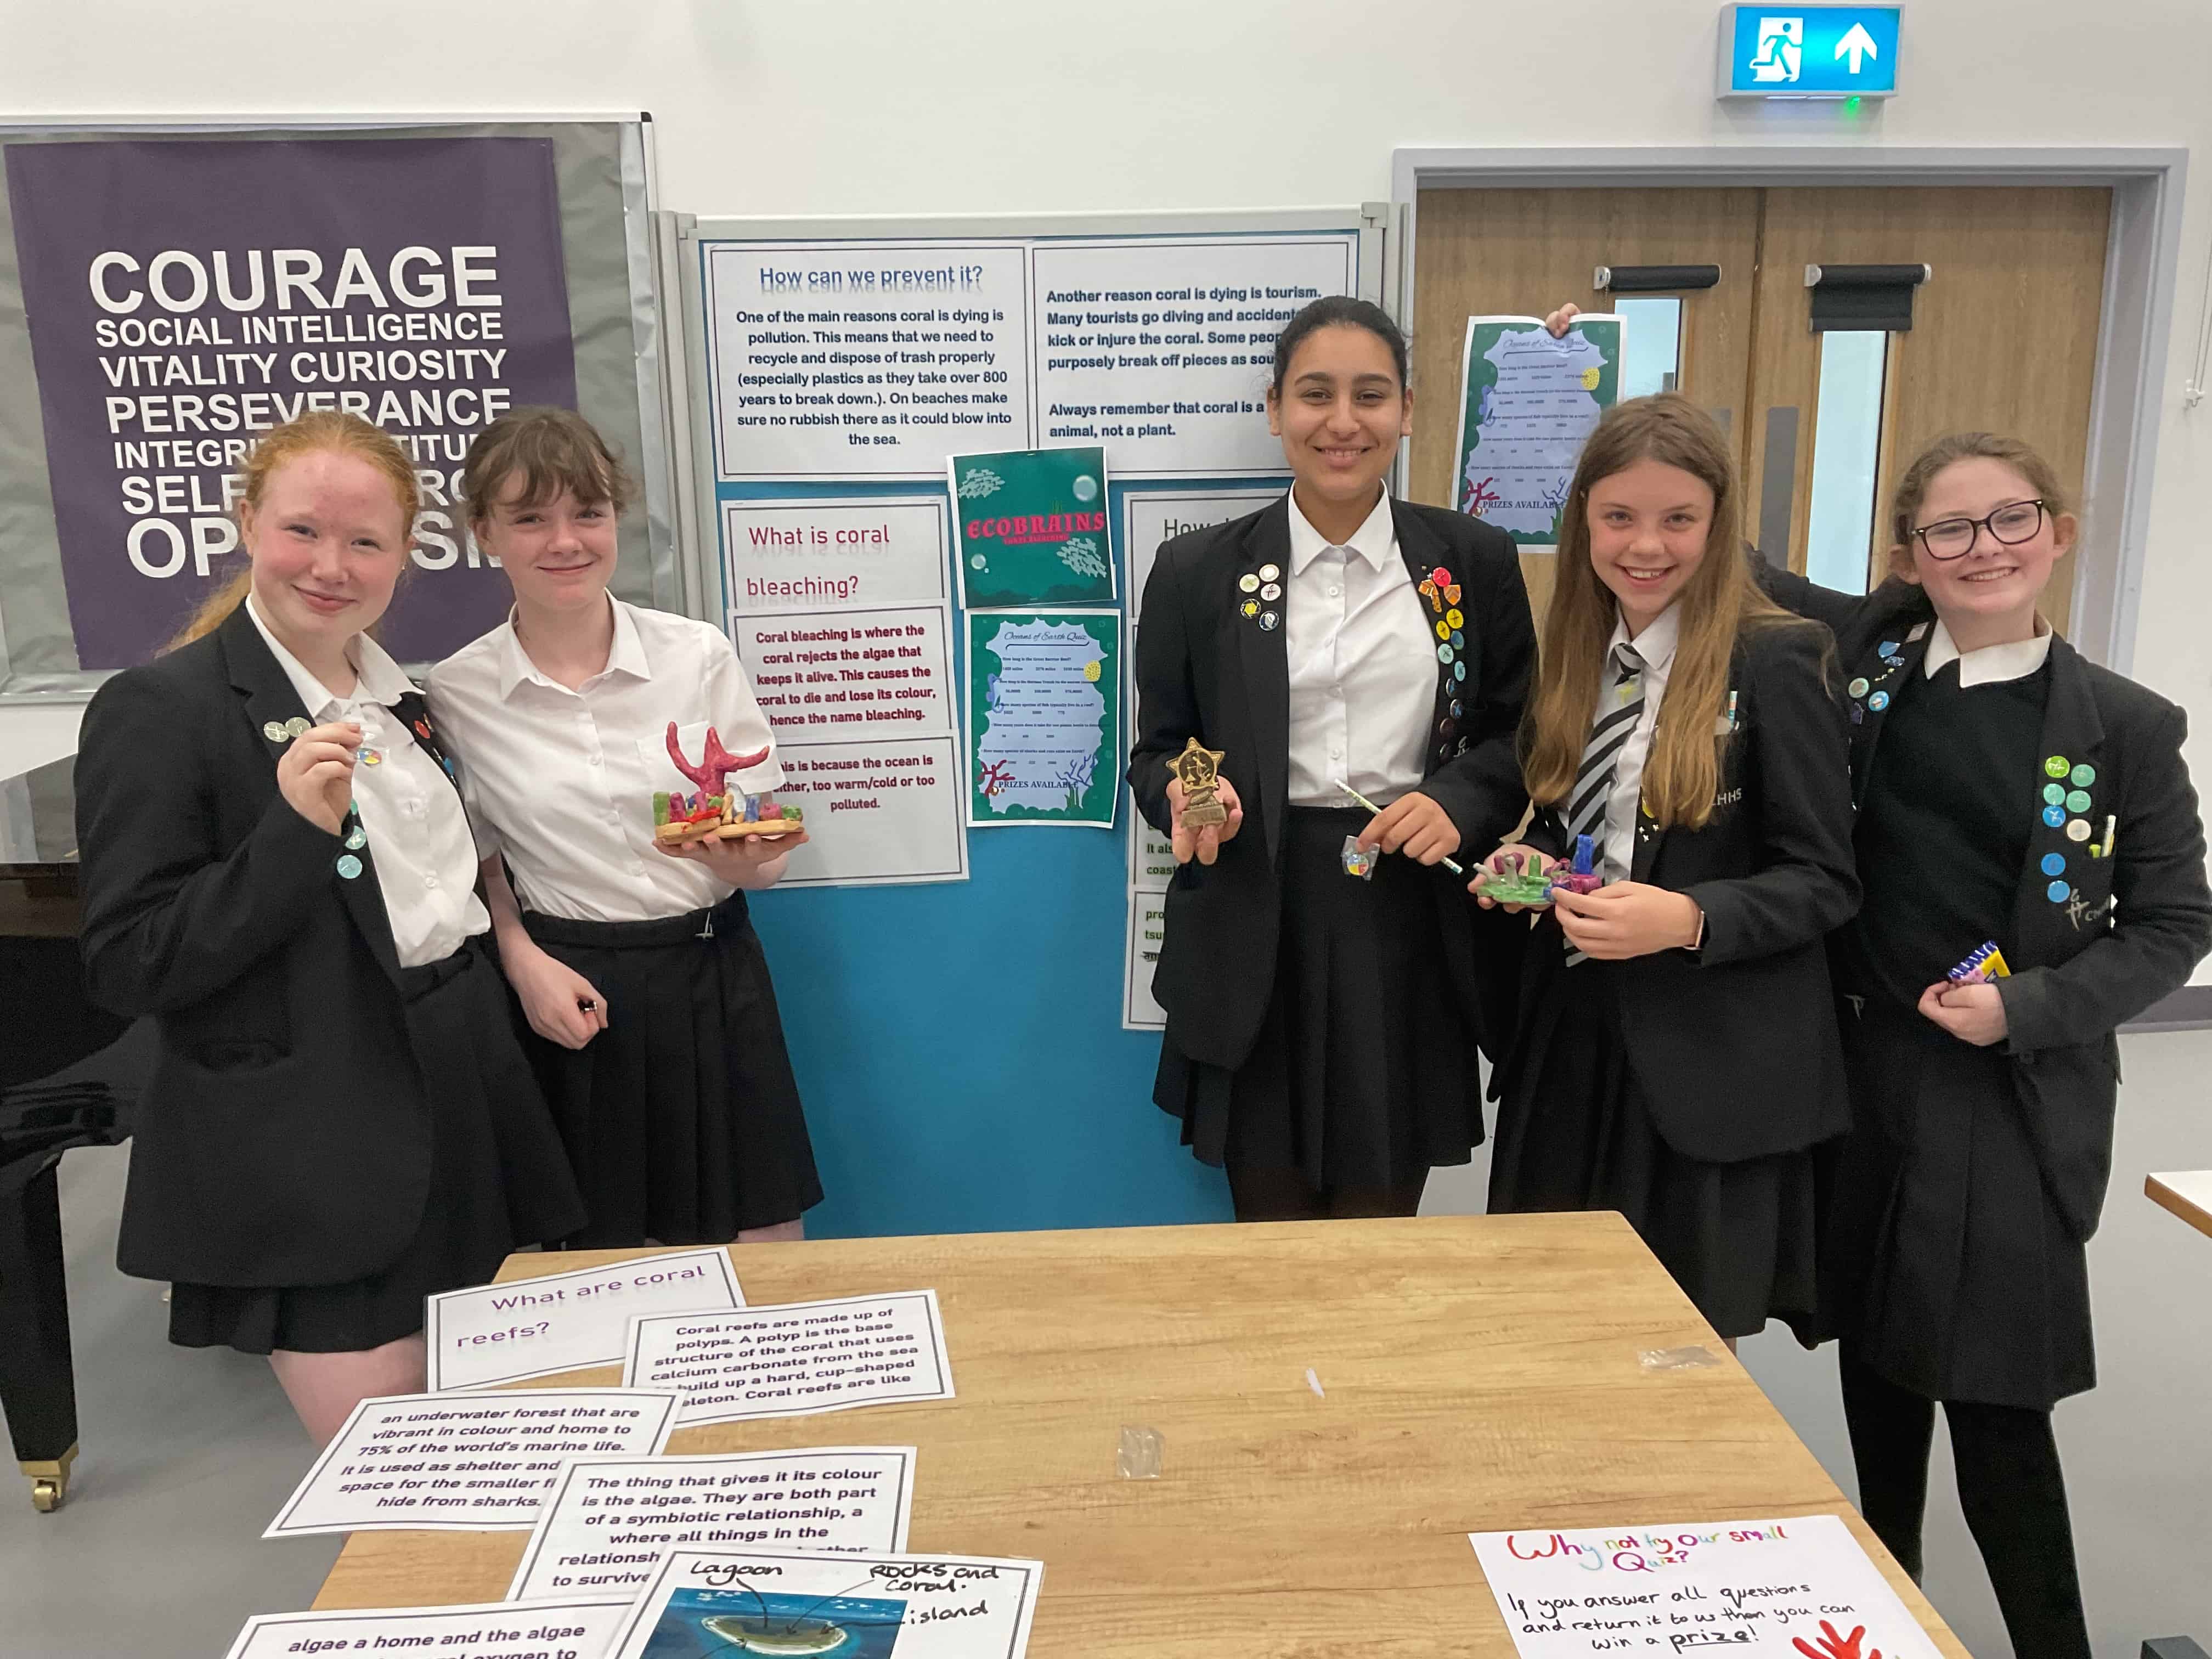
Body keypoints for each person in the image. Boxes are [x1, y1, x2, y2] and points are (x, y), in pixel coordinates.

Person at [1756, 431, 2212, 1655]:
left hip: (2008, 1100)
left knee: (1999, 1404)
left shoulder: (2124, 726)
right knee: (1880, 1375)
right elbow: (1745, 571)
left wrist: (2030, 1010)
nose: (1985, 550)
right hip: (1865, 1079)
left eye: (2014, 520)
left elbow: (2175, 923)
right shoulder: (1869, 664)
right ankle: (1887, 1611)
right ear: (1910, 556)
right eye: (1949, 530)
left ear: (2061, 532)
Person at [74, 411, 585, 1444]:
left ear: (406, 555)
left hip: (465, 1087)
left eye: (366, 542)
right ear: (247, 522)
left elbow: (440, 891)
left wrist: (518, 957)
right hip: (314, 1137)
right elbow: (135, 963)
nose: (332, 566)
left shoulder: (408, 701)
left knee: (505, 1445)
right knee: (394, 1483)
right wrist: (291, 836)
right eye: (303, 531)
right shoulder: (161, 710)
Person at [1127, 295, 1537, 1222]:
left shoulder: (1470, 560)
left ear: (1406, 409)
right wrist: (1198, 797)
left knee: (1380, 1239)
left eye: (1371, 395)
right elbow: (1165, 747)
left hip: (1408, 916)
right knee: (1271, 1238)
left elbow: (1521, 731)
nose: (1343, 423)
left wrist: (1461, 802)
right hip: (1252, 914)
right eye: (1316, 395)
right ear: (1274, 408)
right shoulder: (1198, 572)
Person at [1472, 394, 1858, 1347]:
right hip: (1571, 1048)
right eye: (1620, 517)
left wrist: (1687, 920)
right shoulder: (1579, 655)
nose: (1646, 545)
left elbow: (1825, 879)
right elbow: (1600, 830)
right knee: (1549, 1325)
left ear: (1719, 526)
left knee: (1674, 1350)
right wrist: (1543, 865)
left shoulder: (1779, 660)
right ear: (1586, 525)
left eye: (1678, 519)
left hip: (1702, 1065)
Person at [427, 407, 820, 1249]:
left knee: (763, 1250)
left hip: (714, 973)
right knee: (604, 1267)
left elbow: (761, 839)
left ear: (616, 519)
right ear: (483, 531)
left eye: (588, 513)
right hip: (573, 995)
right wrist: (520, 958)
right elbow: (480, 863)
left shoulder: (696, 656)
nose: (565, 541)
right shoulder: (456, 695)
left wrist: (751, 859)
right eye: (531, 518)